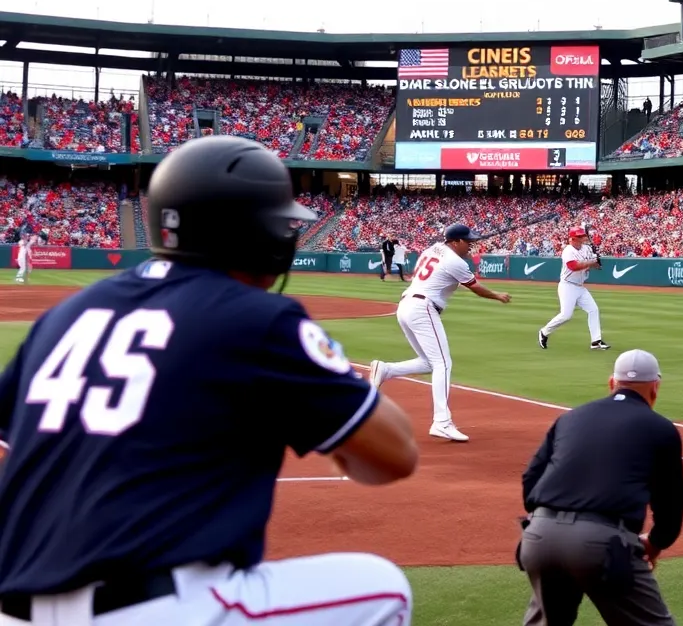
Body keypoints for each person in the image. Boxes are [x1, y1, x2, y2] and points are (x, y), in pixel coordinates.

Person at [0, 135, 420, 625]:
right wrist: (324, 381)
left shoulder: (66, 315)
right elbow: (395, 456)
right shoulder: (257, 318)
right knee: (384, 590)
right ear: (254, 234)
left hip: (14, 610)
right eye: (281, 224)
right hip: (158, 608)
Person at [518, 349, 683, 626]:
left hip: (538, 539)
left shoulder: (571, 417)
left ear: (612, 383)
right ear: (656, 387)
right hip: (600, 544)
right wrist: (655, 545)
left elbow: (530, 479)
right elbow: (670, 506)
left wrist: (548, 525)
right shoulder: (661, 428)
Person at [368, 223, 511, 443]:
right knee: (443, 364)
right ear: (455, 241)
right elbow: (476, 288)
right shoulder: (455, 261)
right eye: (467, 241)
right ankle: (442, 422)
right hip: (423, 308)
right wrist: (498, 295)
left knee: (429, 362)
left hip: (406, 306)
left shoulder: (433, 249)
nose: (470, 245)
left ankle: (386, 370)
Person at [538, 226, 611, 351]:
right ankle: (544, 332)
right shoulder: (568, 251)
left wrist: (597, 262)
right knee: (566, 315)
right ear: (572, 239)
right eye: (579, 237)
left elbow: (596, 266)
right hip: (567, 286)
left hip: (580, 287)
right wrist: (591, 262)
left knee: (593, 310)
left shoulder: (587, 249)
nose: (582, 238)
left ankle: (596, 341)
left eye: (582, 236)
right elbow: (574, 266)